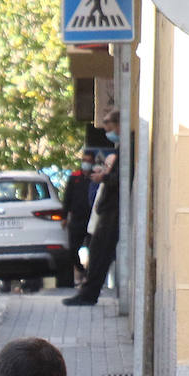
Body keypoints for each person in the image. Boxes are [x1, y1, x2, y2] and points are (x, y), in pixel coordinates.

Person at [64, 119, 120, 307]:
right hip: (92, 217)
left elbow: (118, 179)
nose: (106, 132)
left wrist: (104, 176)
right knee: (92, 253)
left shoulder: (123, 152)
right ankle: (86, 290)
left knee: (99, 255)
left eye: (109, 128)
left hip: (110, 214)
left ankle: (89, 294)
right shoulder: (76, 177)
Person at [60, 152, 95, 283]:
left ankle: (90, 275)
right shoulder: (74, 177)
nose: (86, 163)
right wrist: (64, 217)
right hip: (76, 219)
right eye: (84, 160)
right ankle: (81, 270)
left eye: (88, 160)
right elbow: (67, 198)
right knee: (73, 249)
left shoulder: (95, 177)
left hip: (92, 219)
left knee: (94, 249)